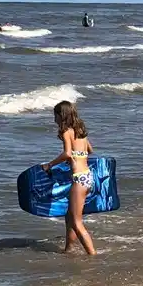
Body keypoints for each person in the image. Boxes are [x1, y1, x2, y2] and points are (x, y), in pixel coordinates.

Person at [43, 101, 97, 255]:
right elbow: (90, 151)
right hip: (87, 176)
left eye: (55, 116)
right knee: (69, 217)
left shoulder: (66, 131)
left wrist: (50, 165)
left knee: (76, 222)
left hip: (79, 179)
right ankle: (69, 249)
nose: (54, 120)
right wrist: (78, 154)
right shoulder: (81, 132)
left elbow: (67, 153)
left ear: (62, 116)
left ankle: (92, 254)